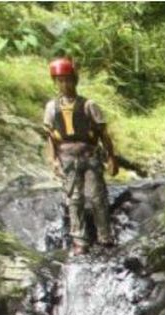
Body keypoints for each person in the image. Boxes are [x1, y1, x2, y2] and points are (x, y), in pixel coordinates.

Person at [43, 57, 118, 254]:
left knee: (96, 196)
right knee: (74, 199)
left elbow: (103, 134)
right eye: (59, 80)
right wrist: (53, 160)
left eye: (67, 79)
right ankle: (79, 240)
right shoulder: (52, 107)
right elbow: (50, 137)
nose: (64, 84)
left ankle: (105, 235)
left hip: (90, 156)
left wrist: (112, 157)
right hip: (67, 158)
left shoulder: (88, 105)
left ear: (75, 80)